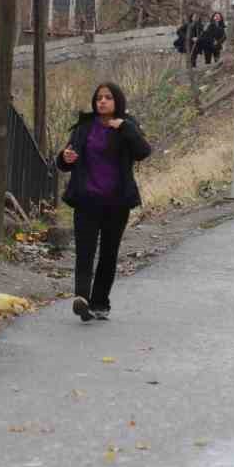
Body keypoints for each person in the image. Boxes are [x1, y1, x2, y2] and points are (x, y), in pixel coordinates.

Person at [56, 83, 153, 322]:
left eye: (108, 98)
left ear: (117, 101)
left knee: (109, 253)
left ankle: (100, 302)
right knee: (85, 252)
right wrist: (65, 157)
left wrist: (126, 128)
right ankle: (82, 299)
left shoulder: (127, 125)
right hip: (86, 200)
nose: (102, 101)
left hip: (116, 203)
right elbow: (65, 162)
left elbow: (143, 152)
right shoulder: (84, 127)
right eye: (98, 98)